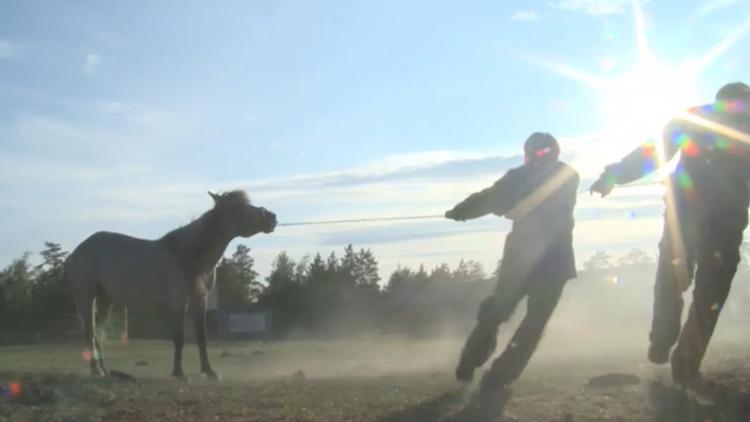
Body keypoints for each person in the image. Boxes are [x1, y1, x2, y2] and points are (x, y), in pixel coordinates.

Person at [590, 82, 750, 388]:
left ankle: (664, 340)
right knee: (709, 292)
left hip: (688, 214)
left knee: (673, 276)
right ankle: (684, 359)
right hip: (721, 220)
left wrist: (614, 175)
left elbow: (652, 153)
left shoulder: (693, 118)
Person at [445, 132, 579, 417]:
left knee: (529, 323)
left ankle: (496, 375)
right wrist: (462, 211)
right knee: (500, 312)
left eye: (539, 153)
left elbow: (497, 199)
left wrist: (465, 210)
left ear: (550, 153)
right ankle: (474, 361)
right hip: (535, 260)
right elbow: (493, 198)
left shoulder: (561, 176)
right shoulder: (539, 176)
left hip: (544, 261)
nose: (535, 158)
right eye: (532, 154)